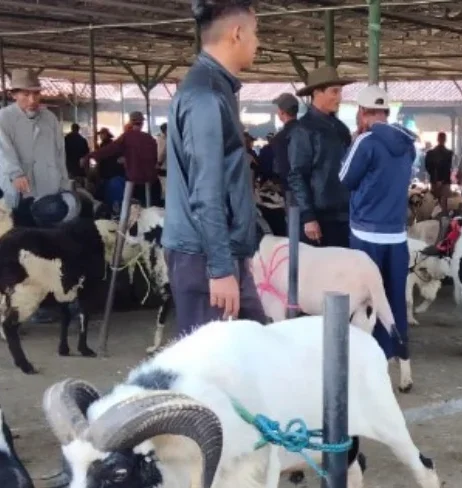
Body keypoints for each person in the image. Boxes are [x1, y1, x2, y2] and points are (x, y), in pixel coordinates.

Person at [162, 0, 267, 337]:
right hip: (203, 256)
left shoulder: (214, 88)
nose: (258, 42)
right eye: (255, 33)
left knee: (251, 352)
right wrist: (221, 268)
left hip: (213, 250)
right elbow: (206, 190)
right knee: (212, 374)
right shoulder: (206, 96)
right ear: (236, 33)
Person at [339, 85, 417, 371]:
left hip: (365, 232)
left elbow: (345, 177)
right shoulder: (408, 143)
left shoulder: (366, 142)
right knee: (394, 295)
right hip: (396, 233)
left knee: (365, 295)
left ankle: (366, 354)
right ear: (387, 112)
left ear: (362, 113)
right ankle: (395, 352)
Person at [288, 65, 354, 248]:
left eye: (340, 92)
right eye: (334, 92)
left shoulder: (341, 128)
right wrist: (308, 216)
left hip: (343, 215)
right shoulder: (303, 129)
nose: (339, 97)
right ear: (317, 92)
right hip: (318, 218)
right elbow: (297, 175)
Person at [0, 69, 72, 210]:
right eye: (26, 94)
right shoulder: (4, 118)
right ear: (13, 95)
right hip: (20, 186)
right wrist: (15, 174)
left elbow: (59, 152)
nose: (32, 100)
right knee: (21, 225)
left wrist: (64, 182)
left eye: (36, 94)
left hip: (49, 186)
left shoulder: (49, 118)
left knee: (48, 223)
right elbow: (3, 150)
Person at [82, 110, 159, 206]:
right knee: (147, 208)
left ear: (131, 122)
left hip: (133, 180)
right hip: (151, 181)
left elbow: (107, 150)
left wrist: (88, 156)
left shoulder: (127, 137)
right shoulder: (150, 139)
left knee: (124, 203)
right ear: (142, 123)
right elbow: (155, 159)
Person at [266, 92, 299, 194]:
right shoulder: (309, 131)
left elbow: (281, 169)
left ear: (282, 112)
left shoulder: (280, 139)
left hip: (292, 190)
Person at [424, 131, 454, 210]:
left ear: (437, 139)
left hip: (434, 181)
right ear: (445, 140)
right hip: (445, 182)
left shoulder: (430, 153)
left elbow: (428, 168)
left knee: (434, 204)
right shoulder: (449, 153)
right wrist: (442, 180)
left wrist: (435, 179)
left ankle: (435, 221)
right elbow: (448, 168)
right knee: (444, 205)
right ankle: (443, 220)